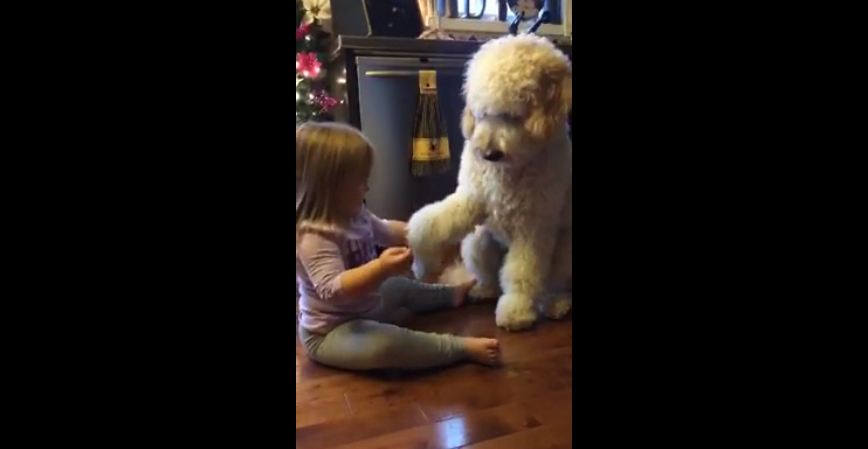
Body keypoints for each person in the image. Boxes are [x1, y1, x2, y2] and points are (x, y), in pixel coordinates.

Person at [295, 122, 500, 370]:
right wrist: (381, 268)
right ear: (330, 188)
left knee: (397, 286)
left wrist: (427, 233)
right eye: (360, 181)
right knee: (385, 347)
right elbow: (334, 289)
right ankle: (456, 347)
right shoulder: (313, 236)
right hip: (332, 330)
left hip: (370, 305)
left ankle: (451, 294)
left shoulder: (354, 212)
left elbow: (384, 230)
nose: (367, 187)